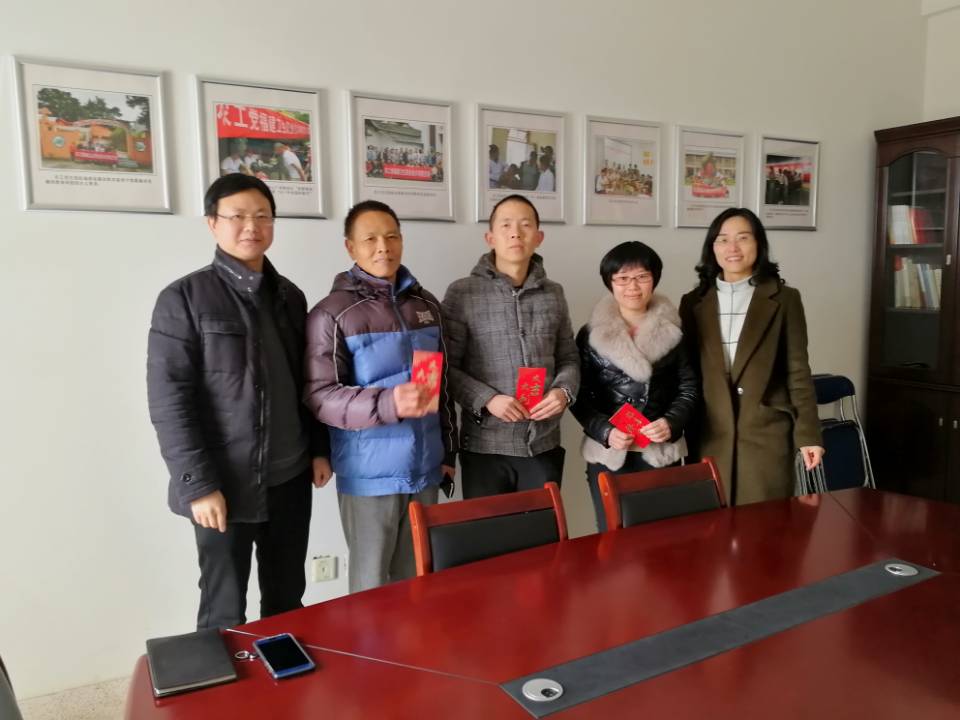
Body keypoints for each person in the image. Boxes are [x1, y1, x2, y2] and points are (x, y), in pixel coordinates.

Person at [147, 174, 331, 629]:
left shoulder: (290, 297)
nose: (252, 226)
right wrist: (197, 485)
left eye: (263, 216)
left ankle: (283, 675)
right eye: (238, 216)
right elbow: (169, 400)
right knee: (223, 609)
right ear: (212, 223)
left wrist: (319, 448)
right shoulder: (183, 298)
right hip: (223, 484)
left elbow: (309, 380)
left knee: (287, 599)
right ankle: (222, 679)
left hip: (289, 477)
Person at [303, 200, 456, 593]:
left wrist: (448, 454)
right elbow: (320, 397)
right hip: (369, 477)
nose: (383, 247)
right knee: (370, 592)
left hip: (426, 471)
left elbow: (441, 386)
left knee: (419, 585)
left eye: (391, 236)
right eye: (370, 239)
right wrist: (389, 403)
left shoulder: (427, 306)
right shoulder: (331, 314)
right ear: (350, 247)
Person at [678, 207, 824, 505]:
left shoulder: (784, 299)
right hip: (709, 434)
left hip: (765, 436)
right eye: (723, 240)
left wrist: (808, 435)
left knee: (765, 526)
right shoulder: (693, 303)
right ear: (712, 248)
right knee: (710, 526)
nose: (732, 248)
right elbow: (687, 374)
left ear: (758, 244)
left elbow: (798, 371)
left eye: (743, 238)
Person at [442, 194, 579, 498]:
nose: (515, 233)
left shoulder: (553, 293)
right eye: (506, 225)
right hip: (485, 446)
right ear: (490, 237)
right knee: (490, 528)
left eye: (525, 225)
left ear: (539, 237)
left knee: (544, 527)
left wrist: (563, 392)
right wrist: (488, 399)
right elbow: (447, 367)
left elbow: (569, 357)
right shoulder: (462, 293)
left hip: (543, 442)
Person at [572, 242, 698, 531]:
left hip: (660, 451)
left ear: (654, 279)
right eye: (623, 278)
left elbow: (689, 388)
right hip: (609, 453)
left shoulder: (675, 331)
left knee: (664, 539)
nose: (632, 286)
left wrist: (671, 422)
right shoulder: (590, 334)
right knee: (612, 538)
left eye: (642, 277)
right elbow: (579, 395)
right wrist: (606, 431)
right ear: (610, 282)